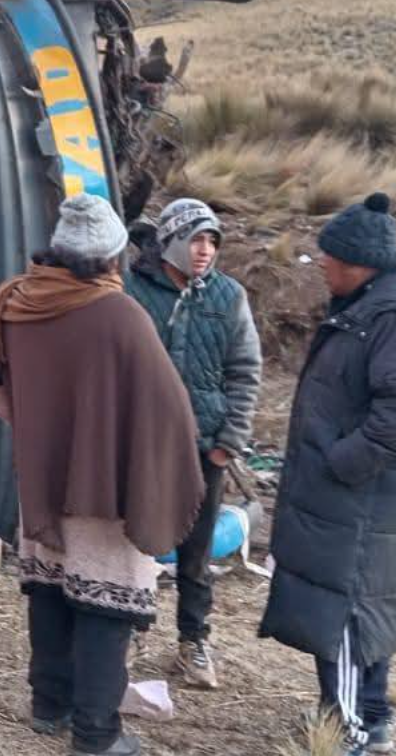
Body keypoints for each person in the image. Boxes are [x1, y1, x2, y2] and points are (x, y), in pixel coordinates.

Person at [0, 193, 204, 756]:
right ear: (111, 257)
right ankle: (97, 734)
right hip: (106, 489)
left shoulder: (15, 301)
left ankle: (49, 706)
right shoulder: (119, 315)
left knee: (49, 589)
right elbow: (169, 407)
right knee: (106, 602)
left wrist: (39, 432)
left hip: (41, 483)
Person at [258, 193, 396, 756]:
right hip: (357, 497)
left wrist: (343, 462)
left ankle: (347, 733)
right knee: (359, 605)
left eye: (329, 256)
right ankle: (366, 716)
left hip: (361, 496)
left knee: (343, 613)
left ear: (359, 263)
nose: (319, 263)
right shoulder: (375, 302)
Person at [124, 198, 262, 689]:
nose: (205, 251)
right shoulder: (132, 289)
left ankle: (192, 642)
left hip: (206, 445)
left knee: (196, 551)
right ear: (171, 241)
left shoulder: (228, 296)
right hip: (143, 441)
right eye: (196, 239)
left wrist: (229, 440)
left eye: (212, 242)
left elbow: (245, 371)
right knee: (136, 539)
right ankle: (130, 631)